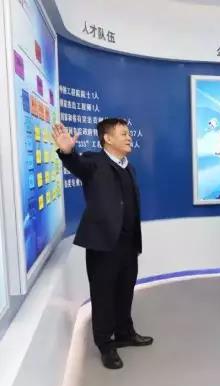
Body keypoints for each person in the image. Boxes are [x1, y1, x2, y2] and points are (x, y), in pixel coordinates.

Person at [52, 120, 153, 370]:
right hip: (103, 243)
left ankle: (125, 333)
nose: (129, 137)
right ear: (107, 139)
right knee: (103, 294)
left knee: (125, 289)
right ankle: (106, 344)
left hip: (129, 242)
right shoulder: (93, 162)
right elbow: (77, 164)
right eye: (123, 134)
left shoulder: (129, 167)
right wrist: (67, 152)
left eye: (129, 133)